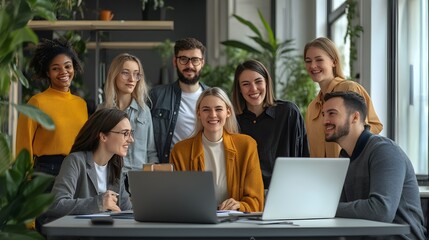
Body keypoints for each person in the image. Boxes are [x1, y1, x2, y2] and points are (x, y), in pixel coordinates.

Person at [322, 91, 427, 240]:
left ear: (355, 117)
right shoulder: (344, 157)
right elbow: (343, 207)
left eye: (332, 113)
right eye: (323, 115)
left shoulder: (384, 150)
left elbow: (381, 210)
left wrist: (323, 208)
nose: (325, 121)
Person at [170, 87, 264, 212]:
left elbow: (257, 201)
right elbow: (175, 200)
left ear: (228, 112)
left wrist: (239, 205)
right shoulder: (180, 151)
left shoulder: (247, 146)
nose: (213, 115)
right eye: (206, 110)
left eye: (218, 109)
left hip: (237, 223)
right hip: (197, 223)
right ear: (198, 113)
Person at [38, 108, 133, 226]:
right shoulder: (75, 161)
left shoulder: (115, 167)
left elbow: (128, 211)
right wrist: (99, 203)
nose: (131, 139)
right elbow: (56, 205)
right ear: (103, 137)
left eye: (130, 133)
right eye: (125, 133)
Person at [232, 59, 310, 189]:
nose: (254, 89)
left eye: (258, 81)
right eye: (246, 84)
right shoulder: (233, 120)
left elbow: (302, 157)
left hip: (285, 192)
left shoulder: (288, 112)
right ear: (239, 89)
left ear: (267, 83)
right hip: (247, 196)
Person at [16, 38, 88, 176]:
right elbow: (23, 144)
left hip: (78, 170)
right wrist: (23, 179)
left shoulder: (81, 104)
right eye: (56, 68)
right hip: (47, 171)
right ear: (48, 73)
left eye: (67, 66)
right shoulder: (37, 102)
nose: (63, 72)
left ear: (74, 67)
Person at [304, 37, 383, 158]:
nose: (313, 66)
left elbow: (373, 127)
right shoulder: (312, 107)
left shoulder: (349, 89)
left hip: (350, 172)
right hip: (322, 174)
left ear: (334, 62)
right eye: (308, 61)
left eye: (319, 60)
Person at [99, 53, 158, 182]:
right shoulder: (102, 110)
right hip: (110, 178)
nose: (132, 79)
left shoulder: (144, 111)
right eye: (125, 73)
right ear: (114, 75)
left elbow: (151, 151)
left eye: (136, 74)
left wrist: (154, 180)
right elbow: (97, 150)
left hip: (140, 180)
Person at [149, 37, 208, 163]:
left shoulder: (213, 98)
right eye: (184, 59)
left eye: (195, 60)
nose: (190, 65)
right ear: (175, 62)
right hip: (169, 170)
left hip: (204, 167)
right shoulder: (156, 96)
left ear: (202, 62)